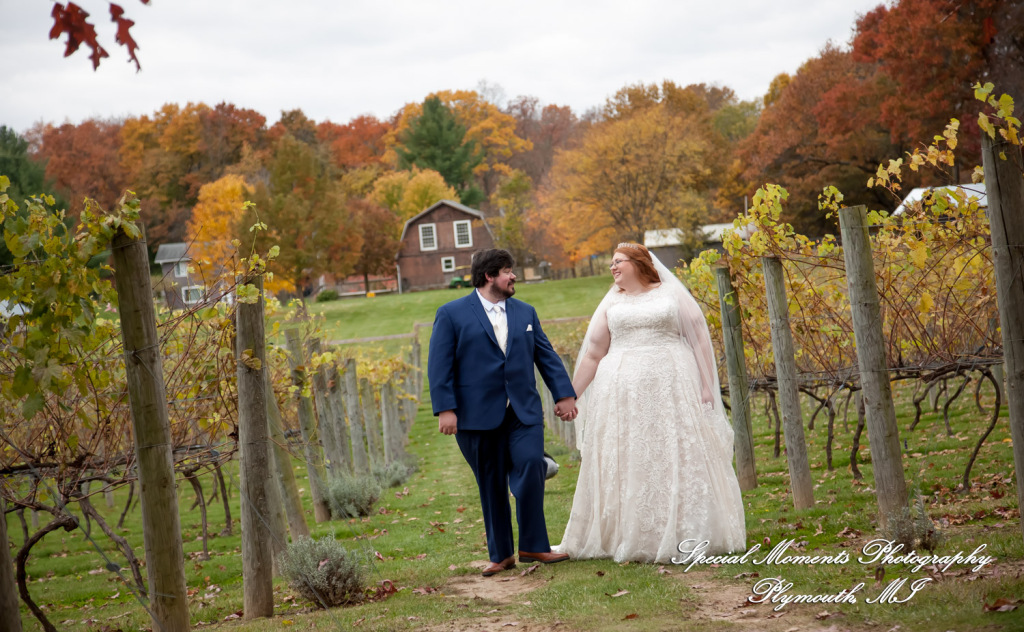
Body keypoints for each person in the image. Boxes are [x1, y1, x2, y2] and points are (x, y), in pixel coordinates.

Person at [553, 242, 746, 563]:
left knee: (674, 451)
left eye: (619, 261)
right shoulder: (612, 301)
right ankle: (633, 533)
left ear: (639, 262)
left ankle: (685, 529)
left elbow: (699, 337)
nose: (613, 267)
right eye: (612, 263)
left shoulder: (670, 294)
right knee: (632, 455)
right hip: (622, 394)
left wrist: (707, 386)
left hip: (672, 386)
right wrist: (572, 395)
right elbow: (593, 354)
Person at [428, 249, 578, 577]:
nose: (514, 277)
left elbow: (546, 355)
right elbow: (439, 366)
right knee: (491, 483)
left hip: (522, 412)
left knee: (532, 466)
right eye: (508, 271)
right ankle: (501, 555)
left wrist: (564, 394)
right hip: (475, 417)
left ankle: (534, 545)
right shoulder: (451, 314)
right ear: (489, 276)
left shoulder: (526, 312)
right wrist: (445, 409)